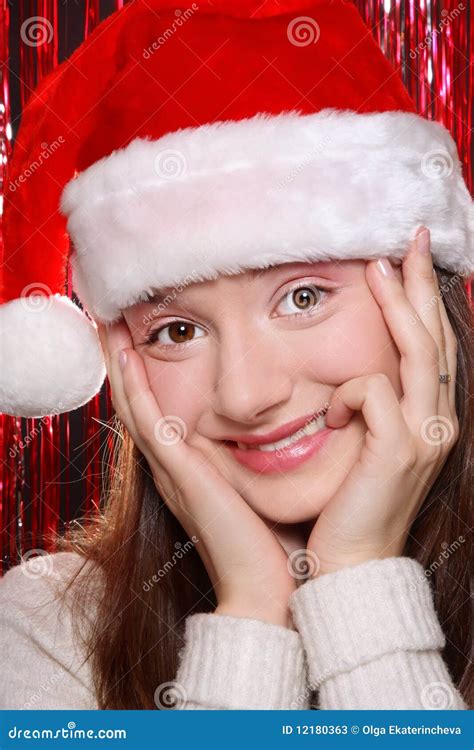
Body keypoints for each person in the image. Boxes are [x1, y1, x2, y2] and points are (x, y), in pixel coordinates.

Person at [0, 0, 472, 710]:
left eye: (304, 296)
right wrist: (254, 608)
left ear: (423, 295)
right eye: (178, 331)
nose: (247, 394)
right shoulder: (45, 628)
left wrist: (358, 578)